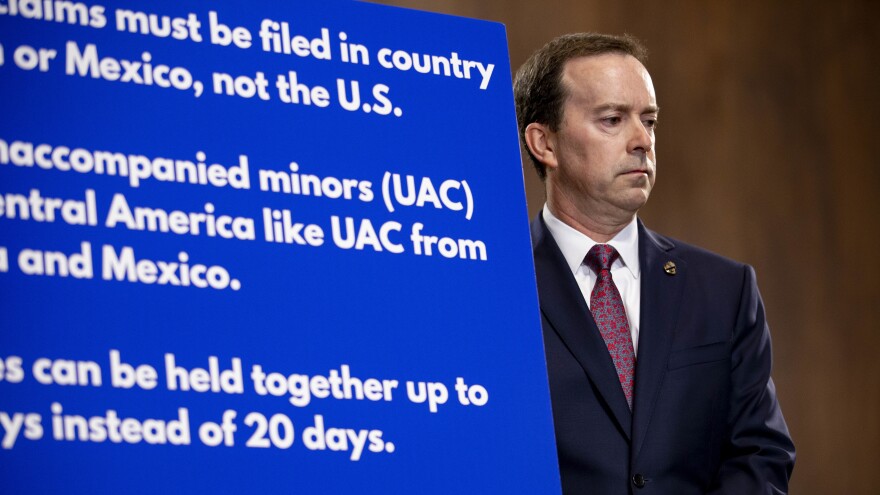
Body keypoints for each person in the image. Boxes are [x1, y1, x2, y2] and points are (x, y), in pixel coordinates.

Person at [514, 33, 795, 494]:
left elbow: (761, 453)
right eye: (612, 119)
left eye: (649, 120)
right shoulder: (494, 285)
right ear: (544, 143)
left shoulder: (725, 290)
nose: (642, 140)